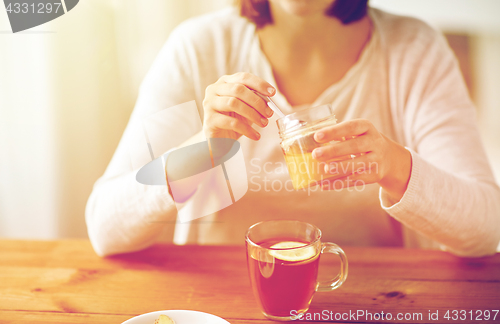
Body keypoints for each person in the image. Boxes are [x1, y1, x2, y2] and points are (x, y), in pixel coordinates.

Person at [85, 0, 500, 257]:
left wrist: (394, 166)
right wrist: (202, 151)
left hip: (371, 302)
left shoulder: (412, 51)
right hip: (219, 305)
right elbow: (106, 229)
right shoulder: (200, 47)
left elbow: (484, 229)